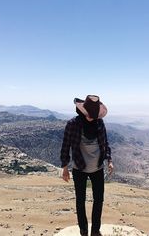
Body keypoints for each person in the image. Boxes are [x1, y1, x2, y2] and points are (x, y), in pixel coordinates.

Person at [60, 95, 114, 236]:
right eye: (89, 114)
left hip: (97, 167)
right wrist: (64, 168)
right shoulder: (73, 124)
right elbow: (65, 145)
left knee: (99, 200)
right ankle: (83, 230)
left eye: (93, 115)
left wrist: (109, 160)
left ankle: (95, 231)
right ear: (83, 111)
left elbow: (105, 143)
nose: (91, 117)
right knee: (80, 201)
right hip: (79, 167)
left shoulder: (99, 124)